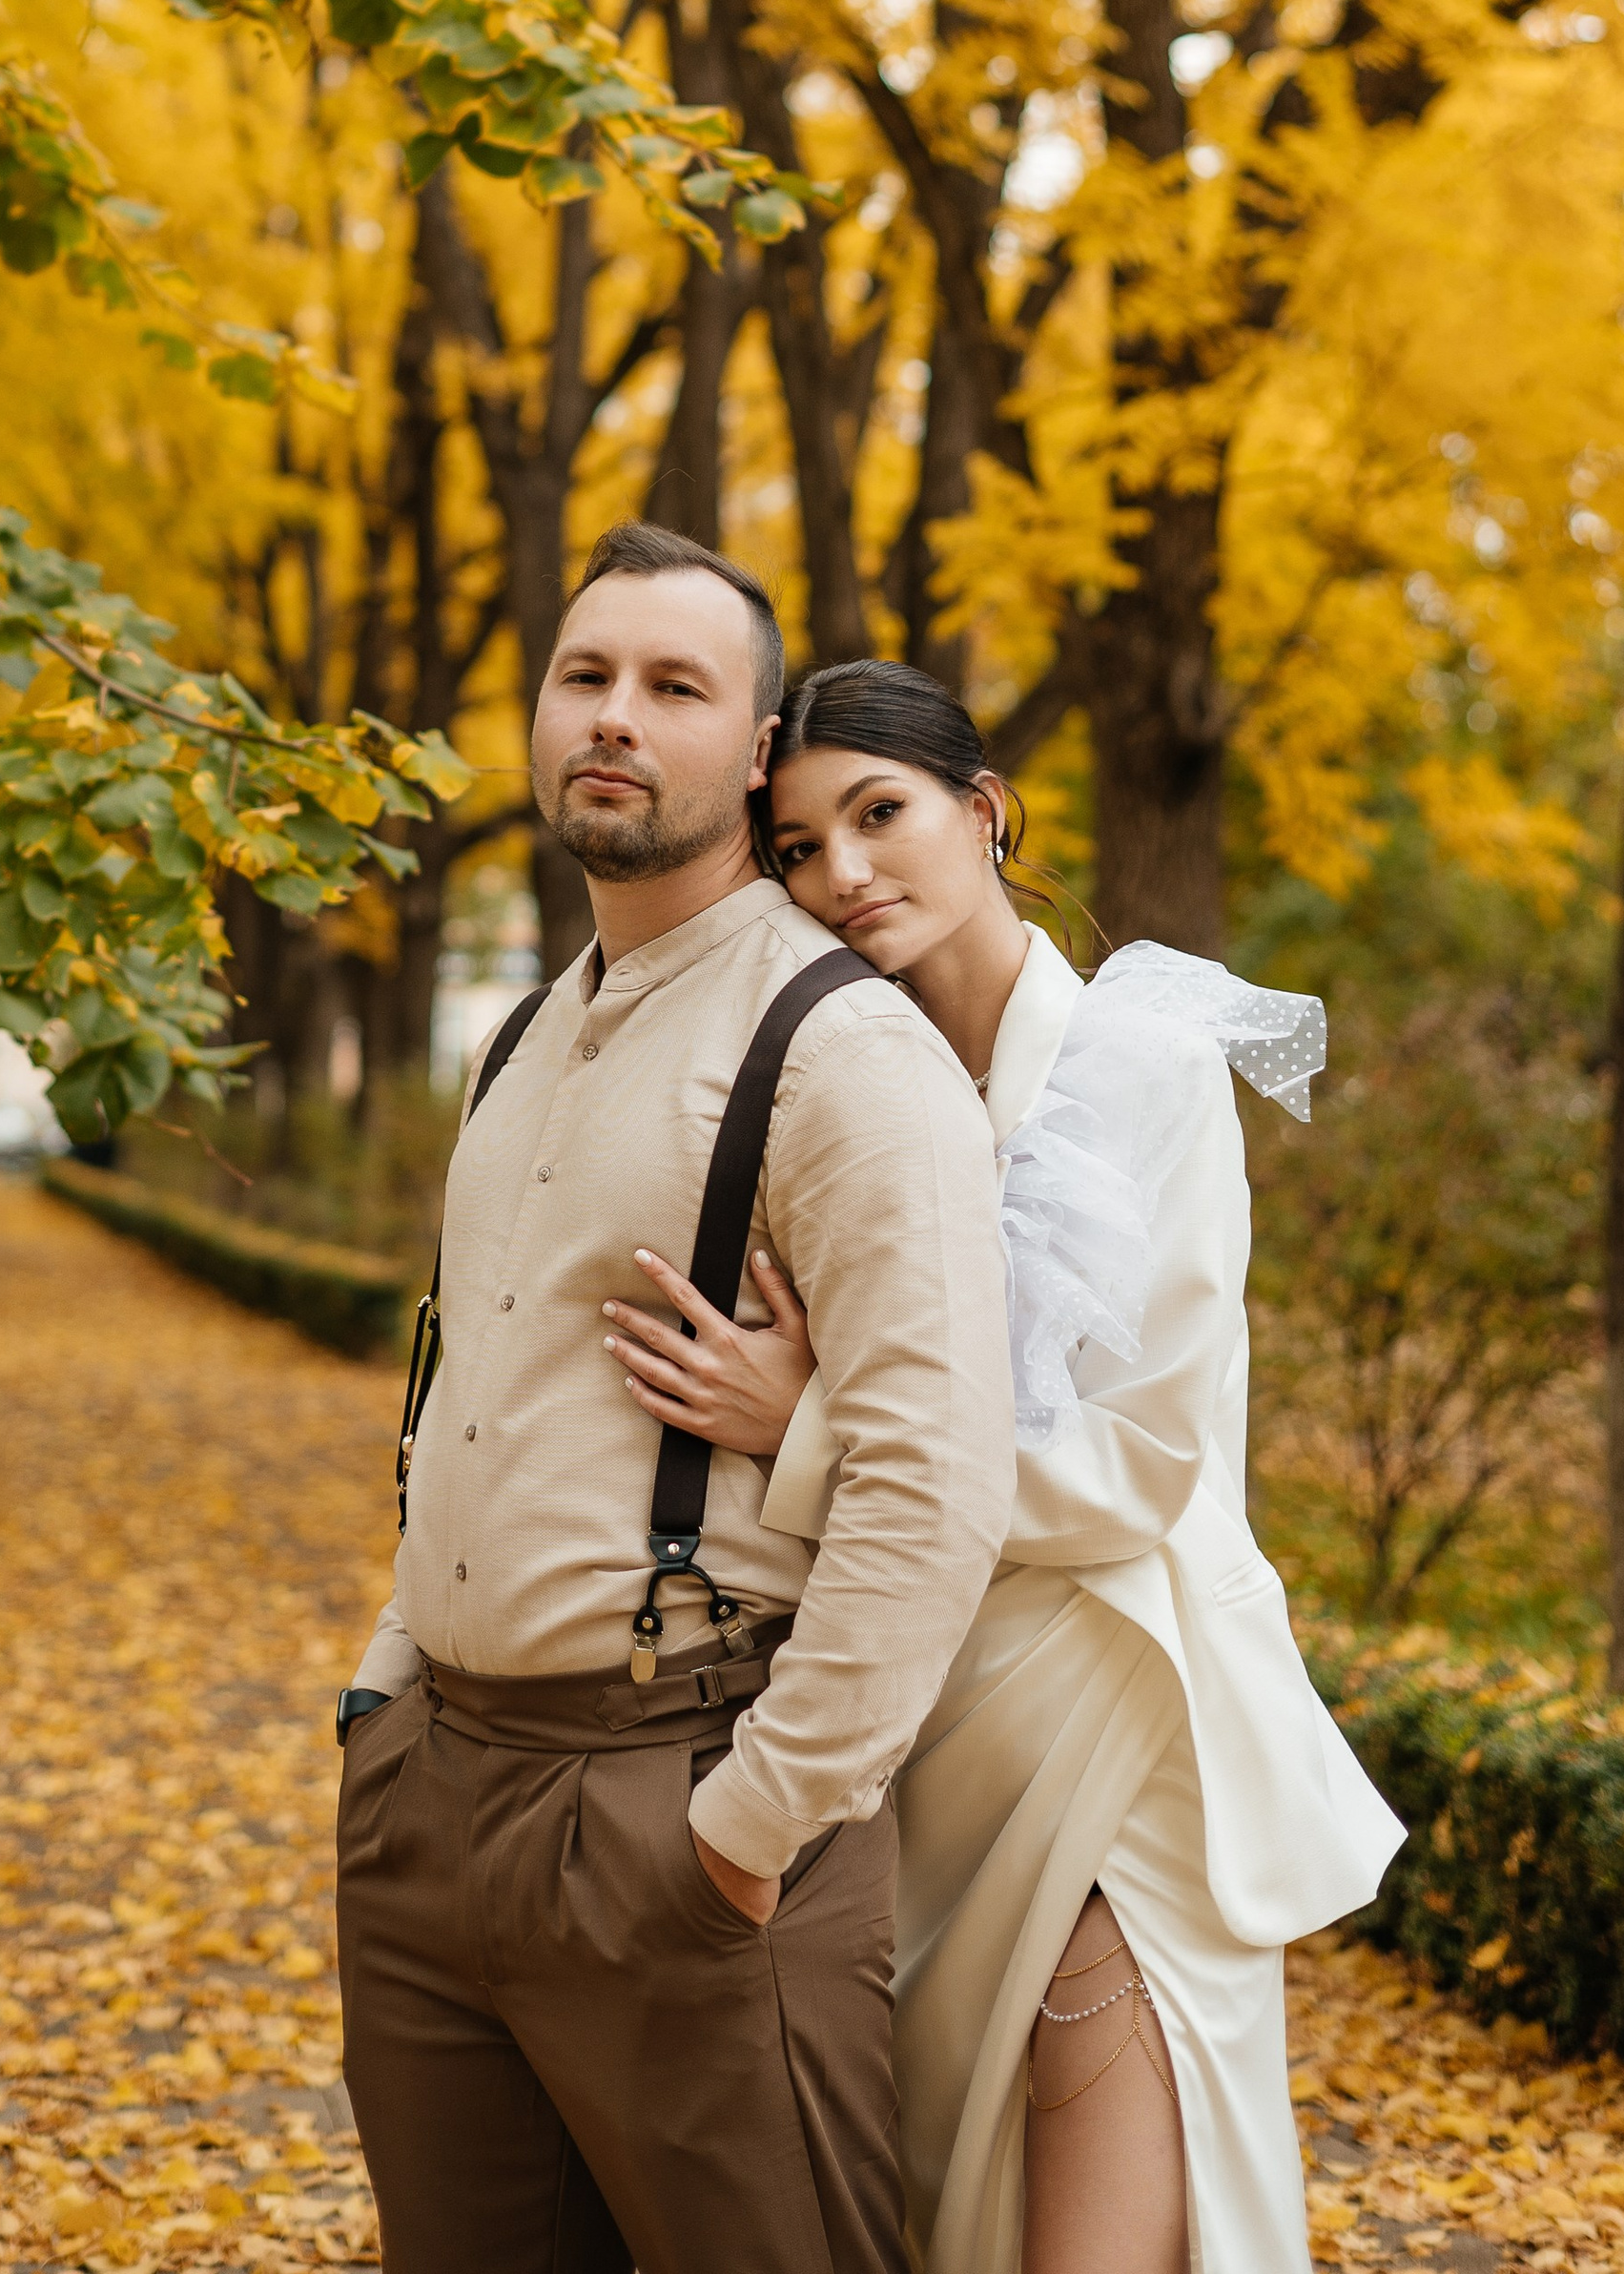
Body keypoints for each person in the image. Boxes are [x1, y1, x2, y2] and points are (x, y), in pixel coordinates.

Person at [606, 659, 1405, 2274]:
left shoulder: (1141, 1066)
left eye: (880, 814)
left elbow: (1140, 1469)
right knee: (946, 2208)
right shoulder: (837, 1087)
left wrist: (810, 1426)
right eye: (799, 849)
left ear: (984, 811)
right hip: (914, 1722)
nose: (844, 872)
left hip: (1112, 1704)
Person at [337, 535, 1017, 2274]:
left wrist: (751, 1828)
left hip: (682, 1799)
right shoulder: (517, 1040)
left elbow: (934, 1483)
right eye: (585, 677)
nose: (615, 718)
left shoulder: (843, 1050)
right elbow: (470, 1386)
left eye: (674, 687)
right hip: (434, 1800)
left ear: (759, 746)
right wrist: (385, 1697)